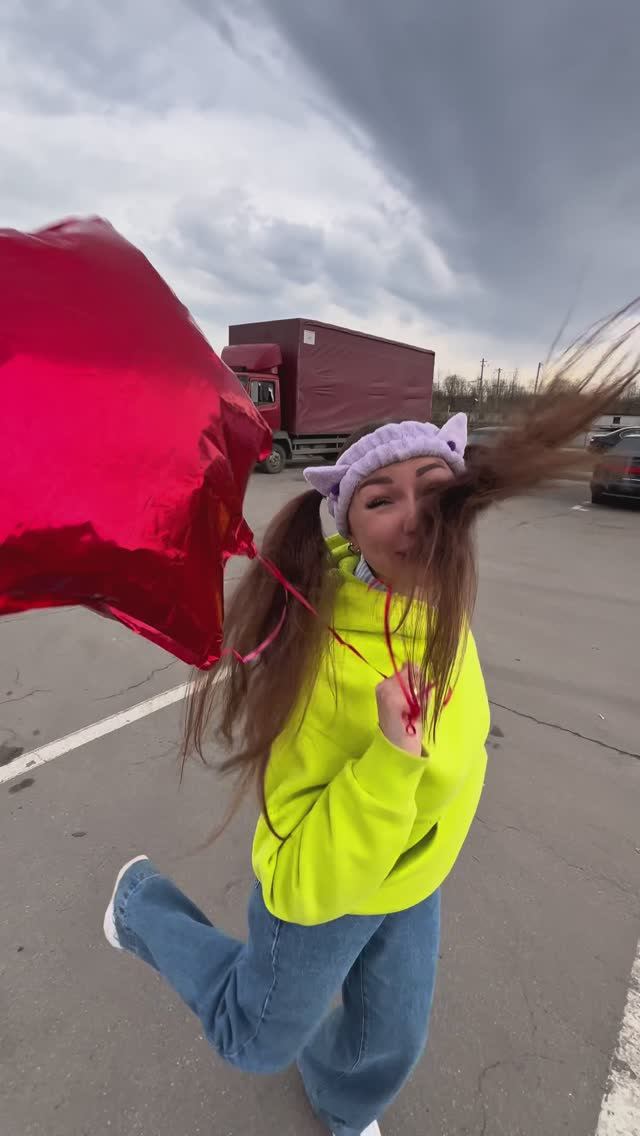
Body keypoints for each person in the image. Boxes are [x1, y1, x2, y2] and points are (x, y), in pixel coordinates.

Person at [102, 315, 639, 1135]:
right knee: (253, 1039)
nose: (412, 516)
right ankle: (140, 904)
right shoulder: (319, 662)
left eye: (434, 487)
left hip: (411, 876)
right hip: (326, 891)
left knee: (389, 1039)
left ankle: (342, 1106)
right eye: (380, 500)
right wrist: (391, 758)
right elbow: (296, 871)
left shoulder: (441, 606)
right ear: (349, 530)